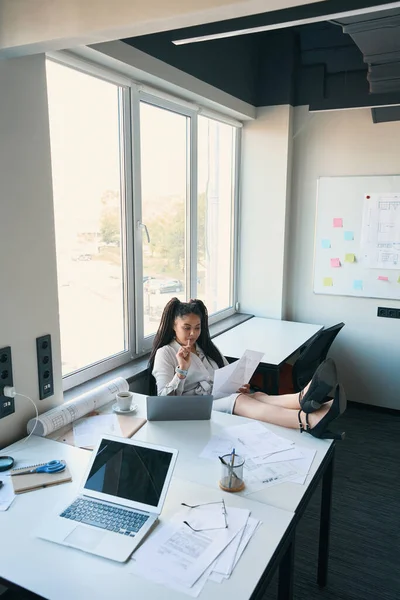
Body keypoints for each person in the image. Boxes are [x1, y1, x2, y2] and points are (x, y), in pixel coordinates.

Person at [149, 298, 346, 440]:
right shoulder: (165, 353)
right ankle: (306, 421)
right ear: (173, 326)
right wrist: (181, 371)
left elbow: (225, 373)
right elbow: (164, 402)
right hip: (190, 408)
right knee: (241, 400)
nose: (193, 333)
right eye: (186, 327)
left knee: (257, 395)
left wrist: (236, 384)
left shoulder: (205, 347)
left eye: (198, 327)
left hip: (215, 397)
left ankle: (303, 398)